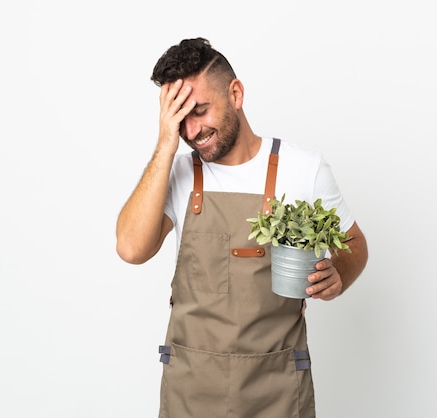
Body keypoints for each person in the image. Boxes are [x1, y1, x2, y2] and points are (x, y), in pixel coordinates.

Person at [116, 37, 368, 418]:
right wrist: (165, 146)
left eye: (199, 110)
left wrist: (339, 276)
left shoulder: (303, 168)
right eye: (180, 118)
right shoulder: (177, 173)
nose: (191, 129)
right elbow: (131, 249)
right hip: (191, 391)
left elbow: (354, 244)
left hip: (278, 390)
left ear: (236, 93)